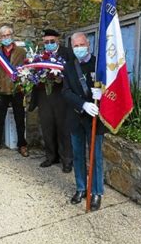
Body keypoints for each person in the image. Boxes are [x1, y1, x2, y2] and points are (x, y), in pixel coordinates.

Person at [62, 32, 104, 210]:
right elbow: (65, 92)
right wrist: (83, 104)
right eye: (75, 46)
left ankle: (96, 192)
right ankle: (81, 187)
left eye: (81, 45)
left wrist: (102, 93)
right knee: (78, 155)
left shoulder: (99, 64)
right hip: (76, 115)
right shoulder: (69, 67)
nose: (79, 48)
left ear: (88, 44)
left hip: (95, 118)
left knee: (95, 156)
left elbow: (111, 87)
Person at [29, 29, 73, 172]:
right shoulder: (40, 56)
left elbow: (72, 73)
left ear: (57, 41)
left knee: (63, 129)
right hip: (44, 97)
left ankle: (66, 160)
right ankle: (50, 157)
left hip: (61, 97)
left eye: (51, 42)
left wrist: (61, 78)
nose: (49, 44)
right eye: (46, 42)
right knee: (47, 127)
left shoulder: (68, 53)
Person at [0, 24, 29, 157]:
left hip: (17, 90)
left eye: (8, 35)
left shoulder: (21, 52)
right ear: (0, 38)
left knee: (19, 119)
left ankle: (22, 145)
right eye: (3, 36)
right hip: (1, 90)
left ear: (12, 36)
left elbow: (26, 70)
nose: (6, 38)